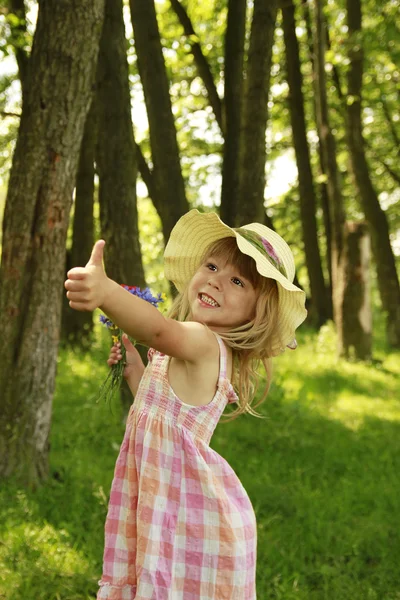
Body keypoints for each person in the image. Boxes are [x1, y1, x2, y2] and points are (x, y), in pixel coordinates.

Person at [65, 209, 307, 600]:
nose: (215, 280)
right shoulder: (196, 349)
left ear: (255, 311)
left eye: (237, 281)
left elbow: (160, 329)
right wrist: (134, 370)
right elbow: (161, 409)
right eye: (211, 265)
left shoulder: (202, 341)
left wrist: (108, 294)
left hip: (179, 504)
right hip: (168, 500)